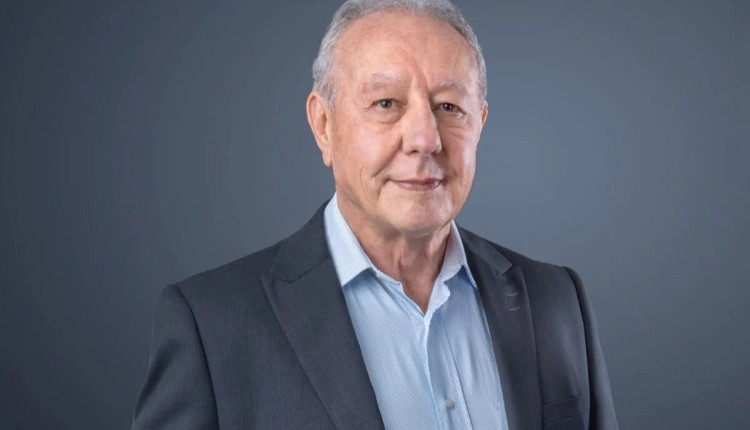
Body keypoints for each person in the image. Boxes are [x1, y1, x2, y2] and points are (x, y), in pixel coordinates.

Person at [131, 0, 618, 429]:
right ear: (324, 125)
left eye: (450, 107)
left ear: (480, 124)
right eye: (386, 103)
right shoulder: (213, 327)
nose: (425, 139)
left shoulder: (556, 300)